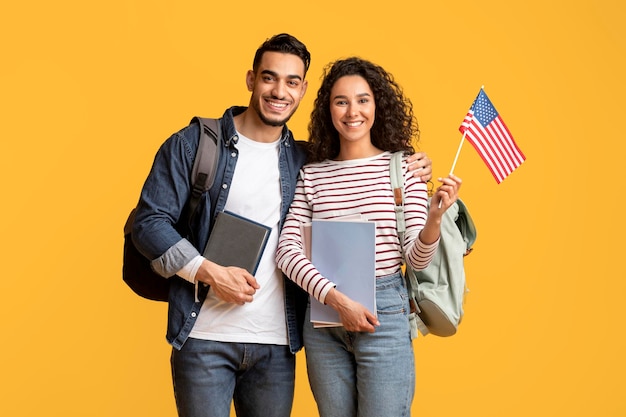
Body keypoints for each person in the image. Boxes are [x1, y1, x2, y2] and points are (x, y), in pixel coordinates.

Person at [132, 34, 433, 417]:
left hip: (276, 346)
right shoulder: (195, 144)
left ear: (304, 89)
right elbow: (149, 223)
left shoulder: (305, 160)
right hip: (204, 337)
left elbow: (362, 181)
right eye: (269, 78)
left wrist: (416, 171)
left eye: (292, 82)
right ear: (250, 79)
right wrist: (207, 272)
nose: (280, 91)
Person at [275, 56, 462, 417]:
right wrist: (335, 298)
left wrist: (434, 219)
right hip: (323, 316)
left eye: (362, 100)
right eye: (341, 101)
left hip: (385, 311)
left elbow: (416, 259)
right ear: (328, 109)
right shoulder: (312, 175)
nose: (352, 112)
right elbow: (286, 250)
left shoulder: (404, 168)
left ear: (378, 104)